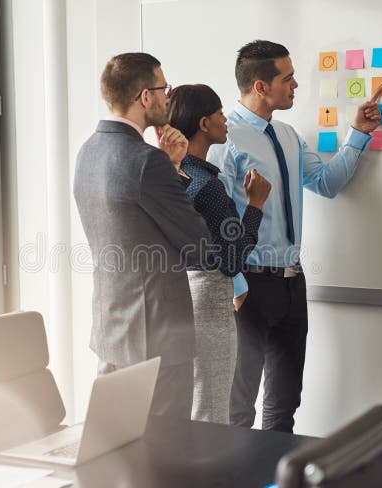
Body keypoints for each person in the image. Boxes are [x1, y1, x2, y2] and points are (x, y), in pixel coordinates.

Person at [207, 40, 382, 432]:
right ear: (260, 86)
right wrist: (235, 283)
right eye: (287, 78)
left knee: (285, 404)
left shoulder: (287, 135)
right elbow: (213, 220)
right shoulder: (226, 140)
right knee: (239, 409)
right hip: (247, 287)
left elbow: (325, 182)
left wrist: (357, 134)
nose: (296, 85)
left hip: (291, 284)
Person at [73, 53, 211, 419]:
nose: (168, 97)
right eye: (163, 88)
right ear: (145, 97)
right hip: (157, 339)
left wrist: (173, 168)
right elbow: (200, 248)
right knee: (166, 457)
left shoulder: (88, 151)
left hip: (112, 332)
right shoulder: (147, 161)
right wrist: (174, 170)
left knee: (119, 451)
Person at [167, 84, 272, 423]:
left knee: (197, 398)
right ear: (203, 123)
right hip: (211, 297)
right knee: (212, 406)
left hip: (183, 295)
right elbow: (233, 259)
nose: (226, 120)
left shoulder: (176, 176)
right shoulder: (208, 185)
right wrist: (255, 204)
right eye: (219, 114)